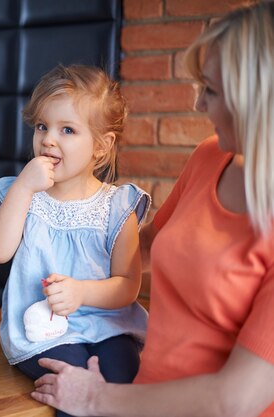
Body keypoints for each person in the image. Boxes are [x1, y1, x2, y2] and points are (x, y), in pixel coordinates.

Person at [30, 3, 274, 416]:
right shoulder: (209, 157)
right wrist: (64, 257)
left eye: (210, 91)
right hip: (137, 396)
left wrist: (95, 398)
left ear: (255, 98)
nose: (199, 106)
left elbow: (234, 399)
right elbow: (141, 247)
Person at [0, 64, 150, 416]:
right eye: (42, 126)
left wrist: (81, 293)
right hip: (45, 334)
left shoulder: (118, 207)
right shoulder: (24, 194)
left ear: (100, 148)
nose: (48, 139)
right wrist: (24, 188)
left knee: (123, 380)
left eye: (68, 130)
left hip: (109, 327)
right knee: (71, 382)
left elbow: (127, 285)